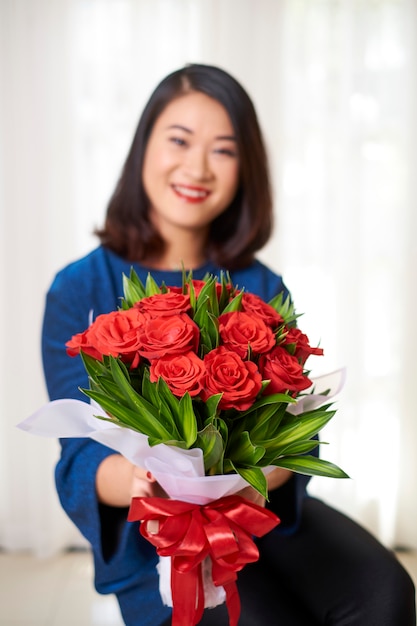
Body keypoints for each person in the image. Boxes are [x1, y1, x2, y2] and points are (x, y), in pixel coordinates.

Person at [42, 63, 416, 626]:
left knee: (386, 596)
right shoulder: (80, 288)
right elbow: (79, 455)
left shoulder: (261, 286)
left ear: (246, 169)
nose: (196, 167)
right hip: (160, 539)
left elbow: (296, 429)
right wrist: (152, 478)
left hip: (261, 514)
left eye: (223, 150)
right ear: (143, 146)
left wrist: (250, 476)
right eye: (179, 140)